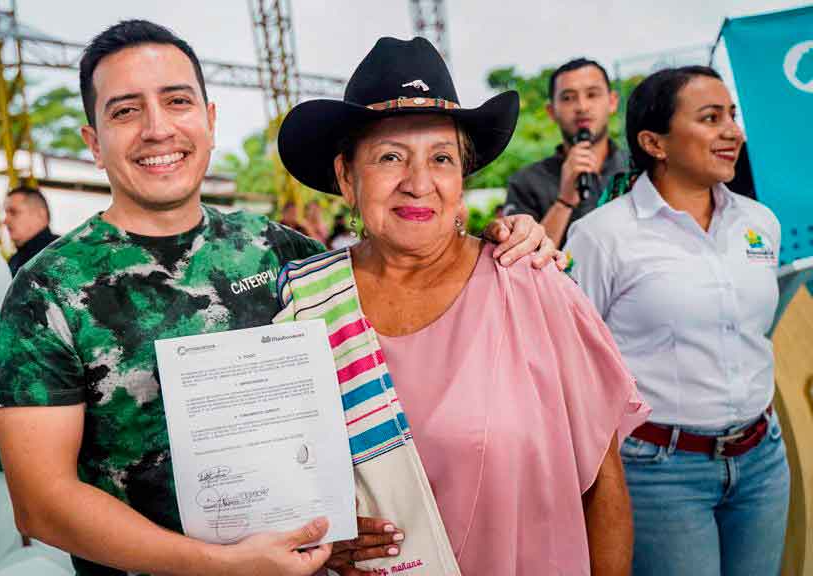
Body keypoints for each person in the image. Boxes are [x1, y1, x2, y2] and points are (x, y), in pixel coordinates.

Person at [0, 20, 560, 576]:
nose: (157, 128)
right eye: (126, 110)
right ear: (93, 140)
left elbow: (405, 261)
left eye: (177, 101)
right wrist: (224, 567)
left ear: (209, 120)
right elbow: (42, 502)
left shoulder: (283, 252)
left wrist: (502, 240)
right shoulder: (47, 291)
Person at [275, 37, 648, 575]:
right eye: (389, 157)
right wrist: (325, 536)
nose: (419, 183)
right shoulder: (305, 304)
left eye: (442, 158)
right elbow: (285, 485)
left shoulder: (530, 283)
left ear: (461, 178)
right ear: (346, 178)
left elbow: (604, 481)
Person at [565, 66, 789, 576]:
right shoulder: (603, 237)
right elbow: (572, 363)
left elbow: (750, 335)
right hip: (659, 470)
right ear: (654, 142)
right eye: (710, 118)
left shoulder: (760, 224)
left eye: (731, 115)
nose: (731, 131)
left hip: (762, 461)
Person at [503, 58, 629, 246]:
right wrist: (564, 201)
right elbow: (520, 261)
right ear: (551, 110)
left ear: (612, 102)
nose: (582, 107)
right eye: (568, 98)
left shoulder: (641, 167)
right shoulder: (526, 182)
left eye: (592, 94)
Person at [3, 184, 60, 275]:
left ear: (40, 215)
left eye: (14, 212)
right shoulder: (14, 260)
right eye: (6, 213)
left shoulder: (59, 253)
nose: (5, 220)